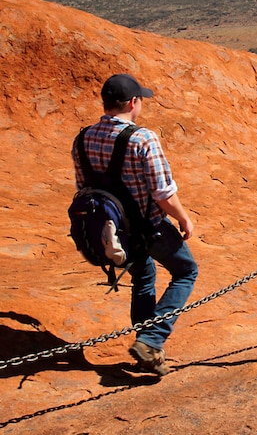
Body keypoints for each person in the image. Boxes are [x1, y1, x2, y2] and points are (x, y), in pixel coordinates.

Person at [72, 74, 198, 376]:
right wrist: (183, 218)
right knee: (185, 271)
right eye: (140, 100)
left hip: (112, 233)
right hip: (149, 227)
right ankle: (151, 341)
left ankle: (147, 350)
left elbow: (83, 187)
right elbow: (163, 193)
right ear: (133, 103)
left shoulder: (83, 138)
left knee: (143, 279)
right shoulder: (143, 138)